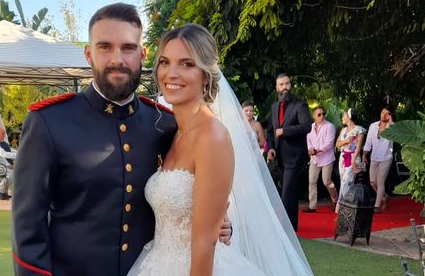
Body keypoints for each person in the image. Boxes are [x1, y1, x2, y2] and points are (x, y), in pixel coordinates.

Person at [11, 3, 230, 276]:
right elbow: (27, 229)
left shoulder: (164, 123)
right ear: (89, 55)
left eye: (128, 48)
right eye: (105, 47)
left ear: (142, 54)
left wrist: (217, 219)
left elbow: (196, 186)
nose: (118, 59)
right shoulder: (49, 122)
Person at [128, 23, 313, 276]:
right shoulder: (171, 131)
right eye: (164, 62)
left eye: (187, 64)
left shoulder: (211, 136)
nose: (171, 73)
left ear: (205, 74)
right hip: (157, 261)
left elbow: (205, 242)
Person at [265, 73, 312, 230]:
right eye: (281, 85)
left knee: (286, 193)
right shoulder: (274, 107)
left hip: (295, 156)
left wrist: (285, 131)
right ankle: (292, 227)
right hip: (280, 157)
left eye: (287, 84)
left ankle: (282, 230)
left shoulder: (300, 105)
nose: (285, 87)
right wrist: (271, 148)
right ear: (276, 88)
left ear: (290, 85)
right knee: (289, 193)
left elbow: (306, 127)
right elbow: (271, 132)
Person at [305, 106, 338, 212]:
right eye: (319, 114)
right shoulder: (310, 127)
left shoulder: (330, 126)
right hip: (315, 158)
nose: (322, 116)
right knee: (311, 181)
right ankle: (312, 206)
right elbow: (308, 140)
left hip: (327, 157)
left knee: (327, 181)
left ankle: (335, 199)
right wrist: (310, 149)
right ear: (314, 116)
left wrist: (318, 150)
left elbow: (329, 143)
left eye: (323, 113)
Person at [363, 106, 394, 212]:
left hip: (386, 157)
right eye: (383, 112)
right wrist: (364, 154)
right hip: (374, 157)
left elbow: (397, 136)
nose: (384, 114)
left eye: (387, 113)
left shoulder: (392, 127)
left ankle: (377, 206)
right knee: (373, 182)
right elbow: (368, 141)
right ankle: (384, 196)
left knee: (380, 182)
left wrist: (390, 121)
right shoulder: (373, 126)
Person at [334, 108, 366, 212]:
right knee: (344, 181)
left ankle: (340, 208)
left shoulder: (359, 129)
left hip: (353, 157)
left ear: (349, 117)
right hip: (343, 157)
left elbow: (359, 147)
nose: (342, 118)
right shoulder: (343, 130)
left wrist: (353, 161)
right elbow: (337, 144)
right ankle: (348, 206)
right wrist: (346, 141)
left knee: (346, 182)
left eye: (344, 116)